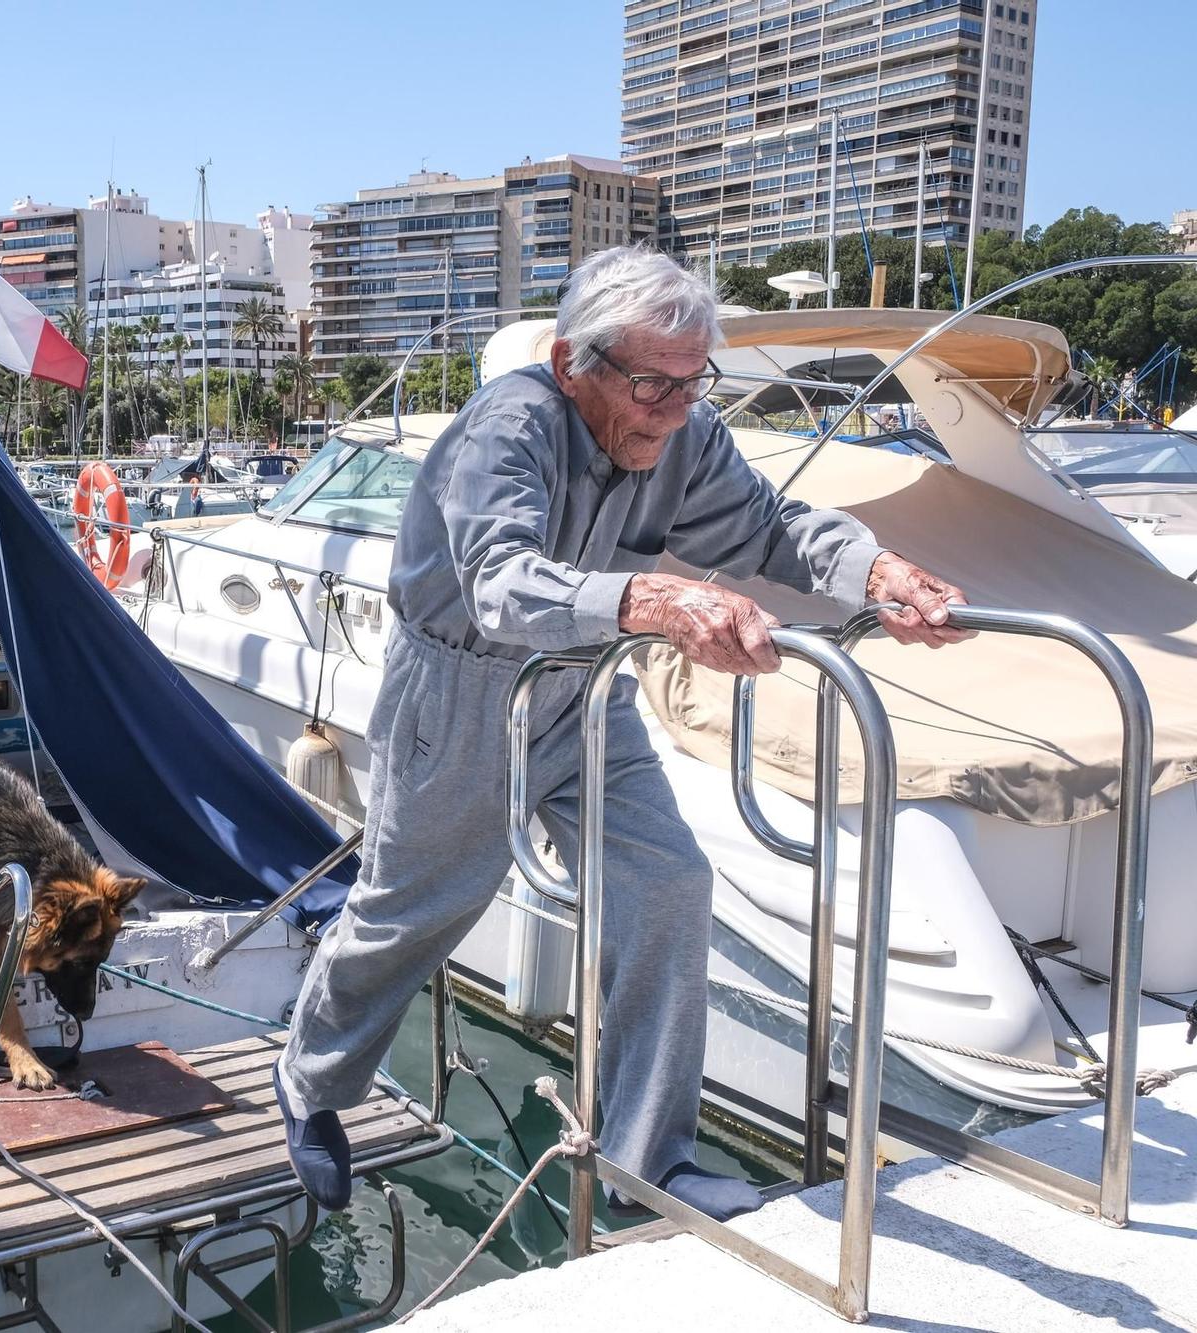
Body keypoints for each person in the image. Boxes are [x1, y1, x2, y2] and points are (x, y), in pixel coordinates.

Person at [271, 245, 970, 1222]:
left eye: (691, 383)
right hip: (463, 690)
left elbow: (767, 529)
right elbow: (498, 584)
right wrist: (650, 596)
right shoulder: (506, 425)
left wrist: (874, 569)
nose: (672, 408)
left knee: (667, 882)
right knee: (410, 909)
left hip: (587, 688)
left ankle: (648, 1162)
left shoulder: (682, 431)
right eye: (649, 383)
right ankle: (310, 1086)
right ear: (572, 364)